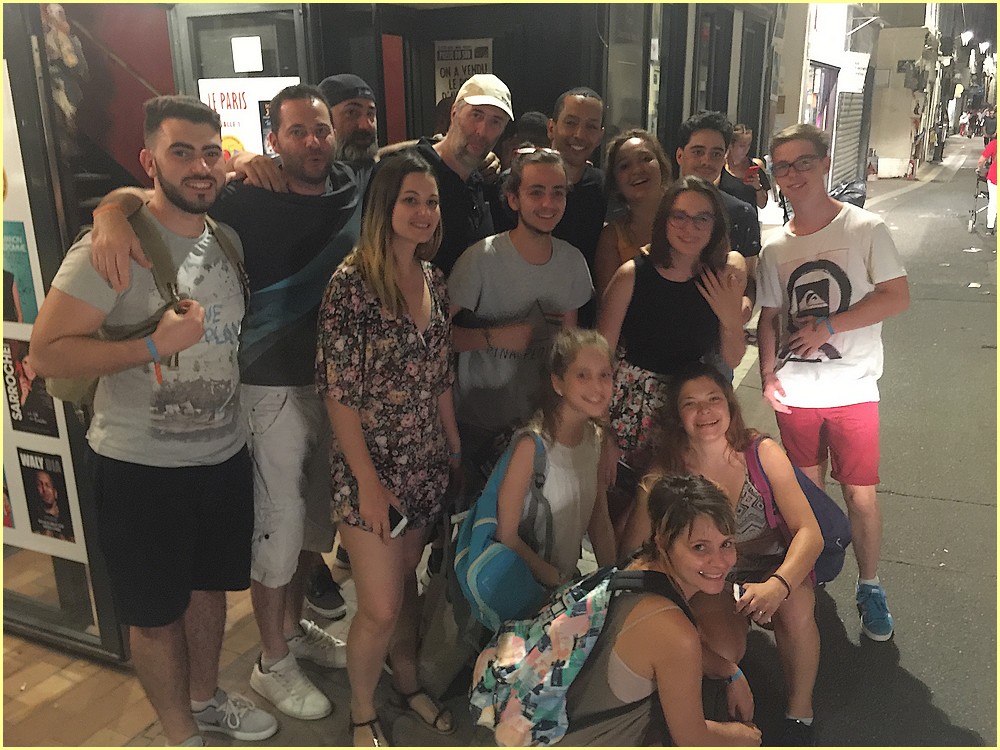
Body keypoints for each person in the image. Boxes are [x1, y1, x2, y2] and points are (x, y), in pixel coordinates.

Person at [28, 95, 276, 746]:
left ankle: (206, 699)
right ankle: (179, 732)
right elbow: (46, 353)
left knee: (209, 593)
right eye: (181, 152)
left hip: (222, 457)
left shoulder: (227, 240)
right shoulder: (112, 246)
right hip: (140, 466)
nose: (200, 167)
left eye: (210, 152)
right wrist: (150, 347)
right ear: (149, 161)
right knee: (155, 614)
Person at [316, 151, 462, 747]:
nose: (424, 212)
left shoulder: (433, 279)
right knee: (378, 605)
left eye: (432, 202)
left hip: (425, 460)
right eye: (411, 200)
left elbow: (440, 374)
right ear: (384, 206)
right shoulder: (351, 285)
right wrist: (369, 485)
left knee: (405, 587)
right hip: (370, 468)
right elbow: (338, 395)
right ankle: (361, 711)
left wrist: (454, 445)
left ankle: (406, 681)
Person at [757, 123, 910, 643]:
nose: (793, 173)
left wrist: (829, 326)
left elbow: (896, 296)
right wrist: (767, 374)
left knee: (860, 495)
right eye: (782, 166)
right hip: (795, 392)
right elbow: (769, 316)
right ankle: (814, 580)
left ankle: (869, 585)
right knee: (808, 497)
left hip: (853, 389)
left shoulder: (865, 228)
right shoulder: (775, 246)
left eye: (803, 161)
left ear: (825, 163)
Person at [621, 362, 823, 744]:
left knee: (795, 606)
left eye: (713, 399)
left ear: (729, 404)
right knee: (724, 647)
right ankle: (714, 700)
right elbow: (633, 553)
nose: (705, 411)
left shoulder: (761, 452)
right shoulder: (666, 473)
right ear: (677, 416)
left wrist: (779, 584)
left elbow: (810, 534)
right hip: (708, 574)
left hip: (767, 565)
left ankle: (800, 713)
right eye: (690, 403)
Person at [558, 474, 762, 746]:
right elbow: (693, 739)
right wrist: (748, 737)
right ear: (664, 542)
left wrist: (729, 670)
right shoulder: (672, 629)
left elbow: (660, 648)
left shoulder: (635, 569)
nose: (720, 561)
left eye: (726, 544)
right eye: (699, 547)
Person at [449, 147, 594, 481]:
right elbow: (432, 338)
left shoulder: (573, 262)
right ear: (513, 199)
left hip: (540, 424)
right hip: (478, 425)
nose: (548, 203)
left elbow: (569, 350)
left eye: (558, 193)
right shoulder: (480, 259)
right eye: (536, 192)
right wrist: (492, 337)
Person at [598, 176, 746, 471]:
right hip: (632, 406)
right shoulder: (632, 276)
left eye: (702, 218)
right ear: (664, 220)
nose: (690, 228)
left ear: (715, 225)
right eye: (680, 216)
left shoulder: (718, 278)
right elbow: (600, 360)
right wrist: (603, 434)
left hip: (691, 408)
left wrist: (731, 316)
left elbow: (733, 358)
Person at [494, 328, 617, 588]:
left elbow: (598, 515)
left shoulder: (596, 439)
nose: (597, 387)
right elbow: (507, 535)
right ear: (557, 383)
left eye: (604, 375)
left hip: (563, 584)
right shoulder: (532, 446)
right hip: (524, 587)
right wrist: (556, 580)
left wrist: (614, 580)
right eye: (582, 375)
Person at [385, 73, 511, 277]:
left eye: (495, 122)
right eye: (476, 115)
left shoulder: (484, 181)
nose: (482, 131)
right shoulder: (405, 169)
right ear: (454, 113)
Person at [675, 111, 760, 320]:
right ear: (680, 155)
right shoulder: (661, 209)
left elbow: (749, 280)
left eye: (715, 154)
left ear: (724, 159)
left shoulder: (742, 214)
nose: (706, 161)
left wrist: (746, 304)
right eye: (698, 151)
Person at [593, 129, 673, 299]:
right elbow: (608, 306)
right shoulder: (611, 238)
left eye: (645, 159)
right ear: (615, 182)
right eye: (624, 166)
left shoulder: (689, 219)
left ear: (662, 165)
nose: (637, 170)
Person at [721, 124, 770, 210]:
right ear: (730, 145)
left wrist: (757, 187)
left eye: (749, 145)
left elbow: (762, 205)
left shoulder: (755, 165)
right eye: (742, 146)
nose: (746, 149)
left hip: (749, 216)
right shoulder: (721, 166)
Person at [977, 136, 996, 236]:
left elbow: (981, 160)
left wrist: (978, 168)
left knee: (993, 202)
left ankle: (990, 227)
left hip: (994, 177)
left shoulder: (994, 143)